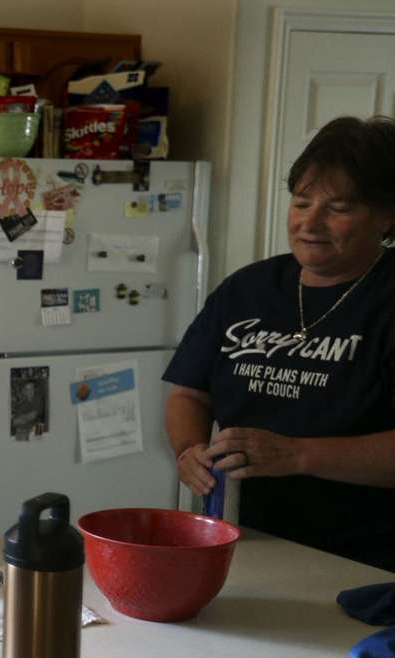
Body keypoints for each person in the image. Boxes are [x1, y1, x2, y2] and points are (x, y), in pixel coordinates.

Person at [163, 115, 395, 570]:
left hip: (367, 562)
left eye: (339, 208)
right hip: (249, 540)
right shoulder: (247, 289)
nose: (311, 222)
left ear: (386, 215)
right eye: (302, 202)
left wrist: (298, 454)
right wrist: (188, 449)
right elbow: (189, 392)